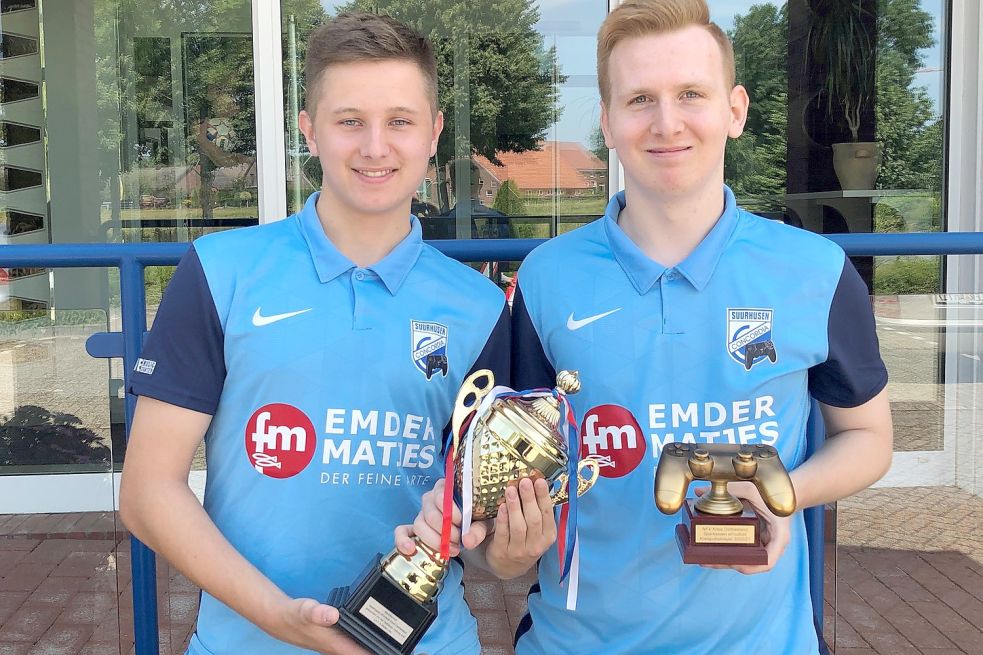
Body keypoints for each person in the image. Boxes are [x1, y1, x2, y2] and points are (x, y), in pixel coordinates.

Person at [408, 0, 893, 653]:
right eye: (639, 99)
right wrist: (503, 546)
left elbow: (866, 436)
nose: (667, 123)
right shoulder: (548, 279)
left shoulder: (814, 269)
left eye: (690, 93)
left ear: (735, 109)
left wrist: (781, 493)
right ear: (607, 121)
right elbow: (504, 511)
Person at [119, 12, 508, 655]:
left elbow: (489, 535)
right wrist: (279, 619)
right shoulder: (221, 270)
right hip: (246, 642)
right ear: (308, 129)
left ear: (434, 132)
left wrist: (502, 539)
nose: (375, 146)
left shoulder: (482, 307)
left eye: (400, 121)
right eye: (349, 120)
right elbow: (146, 492)